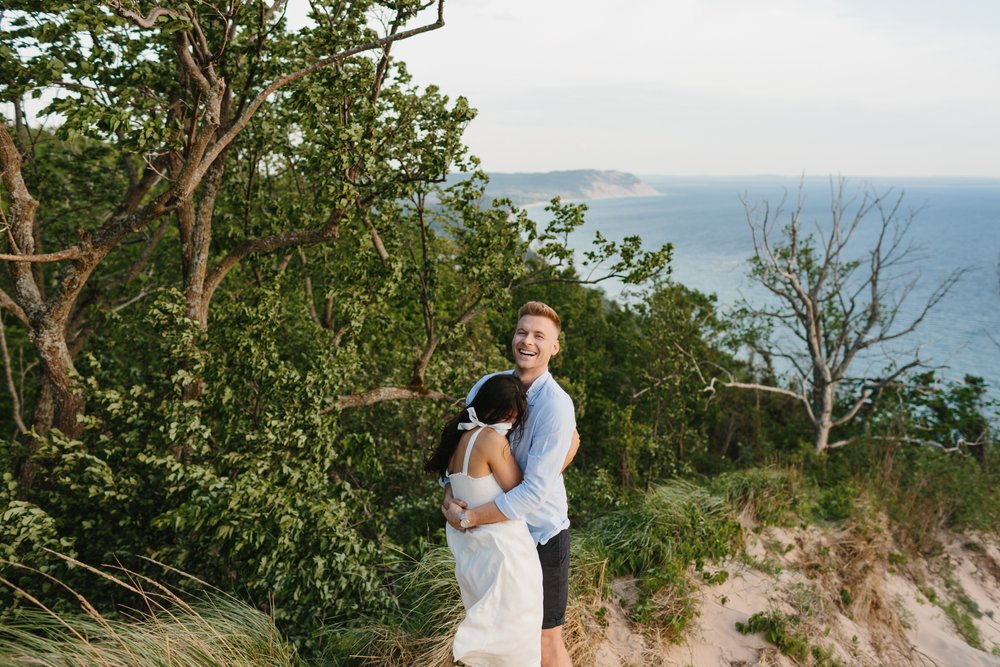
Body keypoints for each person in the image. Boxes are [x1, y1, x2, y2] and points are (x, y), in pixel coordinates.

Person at [442, 301, 577, 667]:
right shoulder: (488, 386)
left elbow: (533, 492)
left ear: (554, 347)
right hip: (492, 546)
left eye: (539, 335)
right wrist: (449, 498)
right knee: (499, 640)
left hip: (540, 536)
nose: (527, 341)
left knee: (545, 642)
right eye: (522, 331)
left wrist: (470, 519)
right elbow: (458, 447)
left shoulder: (555, 406)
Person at [427, 373, 543, 666]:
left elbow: (452, 484)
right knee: (519, 648)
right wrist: (564, 456)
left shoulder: (458, 439)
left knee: (494, 648)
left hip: (476, 561)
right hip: (507, 559)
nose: (512, 424)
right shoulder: (490, 440)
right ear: (493, 411)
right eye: (511, 416)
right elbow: (522, 492)